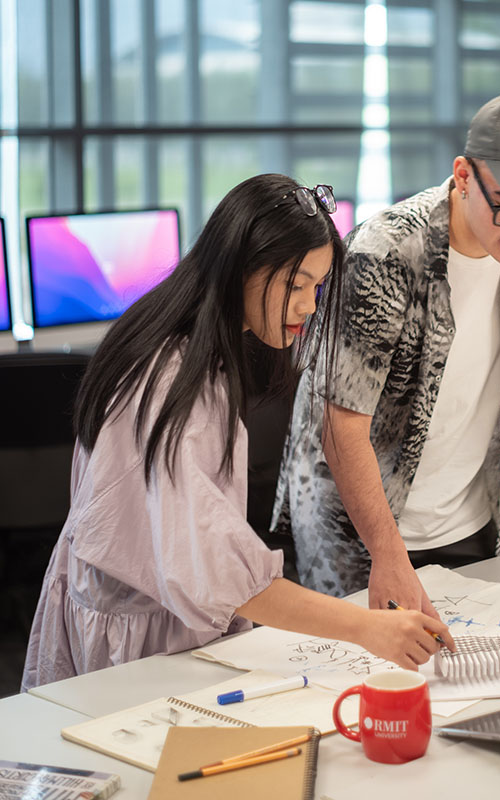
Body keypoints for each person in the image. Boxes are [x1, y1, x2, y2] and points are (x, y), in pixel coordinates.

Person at [22, 173, 454, 692]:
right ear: (241, 267)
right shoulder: (169, 379)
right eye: (296, 285)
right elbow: (219, 571)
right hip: (135, 644)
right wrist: (367, 628)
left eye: (317, 288)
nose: (309, 306)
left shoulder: (193, 346)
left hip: (159, 616)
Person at [273, 91, 500, 615]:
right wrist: (388, 556)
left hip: (467, 520)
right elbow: (340, 424)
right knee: (363, 664)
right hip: (360, 535)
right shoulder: (385, 254)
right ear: (463, 176)